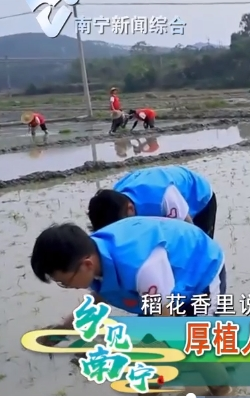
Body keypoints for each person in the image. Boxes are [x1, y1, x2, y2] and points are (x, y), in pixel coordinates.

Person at [30, 217, 232, 396]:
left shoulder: (142, 269)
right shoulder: (93, 256)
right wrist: (65, 329)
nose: (68, 288)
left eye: (65, 282)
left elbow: (170, 328)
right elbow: (103, 294)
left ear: (87, 264)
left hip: (200, 268)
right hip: (162, 283)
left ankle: (223, 390)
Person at [87, 165, 218, 238]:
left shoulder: (164, 198)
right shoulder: (115, 197)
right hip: (153, 183)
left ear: (130, 209)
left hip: (199, 197)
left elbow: (190, 232)